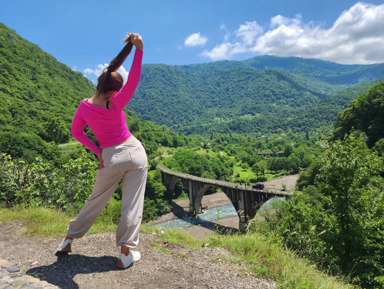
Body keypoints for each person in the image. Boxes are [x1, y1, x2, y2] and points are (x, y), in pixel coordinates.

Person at [56, 33, 147, 269]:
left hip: (110, 157)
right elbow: (134, 80)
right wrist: (139, 50)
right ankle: (125, 253)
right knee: (132, 204)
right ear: (114, 90)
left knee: (95, 200)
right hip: (135, 153)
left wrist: (97, 151)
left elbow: (77, 134)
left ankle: (67, 241)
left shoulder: (85, 106)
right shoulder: (115, 102)